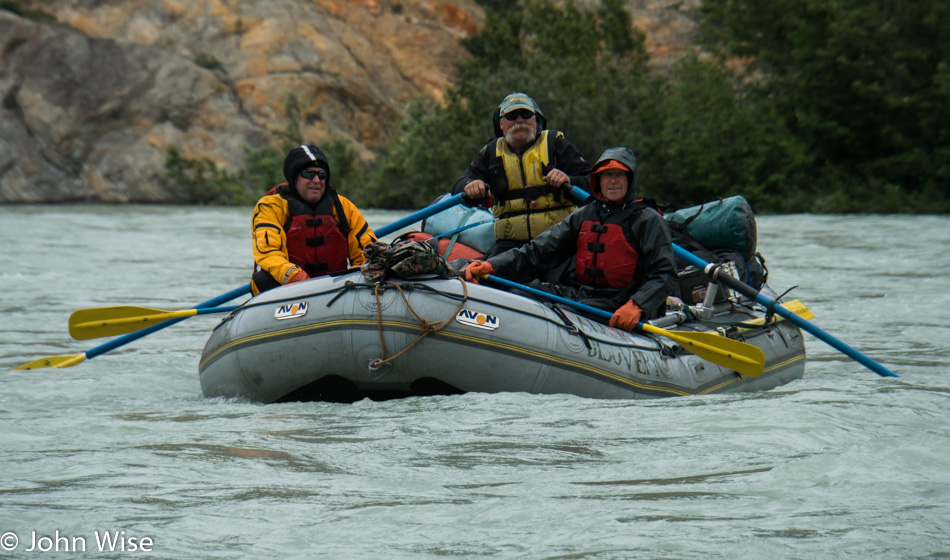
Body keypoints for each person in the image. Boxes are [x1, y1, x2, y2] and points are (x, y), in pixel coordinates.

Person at [464, 147, 677, 331]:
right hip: (579, 294)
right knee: (519, 294)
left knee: (561, 316)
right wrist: (492, 266)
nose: (613, 181)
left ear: (630, 180)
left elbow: (664, 274)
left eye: (619, 175)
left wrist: (637, 305)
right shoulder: (584, 215)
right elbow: (536, 253)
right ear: (598, 180)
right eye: (607, 175)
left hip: (616, 301)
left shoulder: (647, 220)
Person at [451, 92, 593, 258]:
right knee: (482, 271)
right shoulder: (491, 151)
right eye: (512, 116)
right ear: (501, 124)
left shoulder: (555, 144)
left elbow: (591, 183)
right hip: (511, 245)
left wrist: (569, 180)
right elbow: (458, 187)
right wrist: (470, 185)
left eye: (526, 115)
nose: (519, 121)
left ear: (535, 120)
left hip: (558, 242)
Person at [251, 144, 376, 295]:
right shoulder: (270, 207)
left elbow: (366, 254)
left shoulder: (343, 207)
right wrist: (297, 277)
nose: (317, 180)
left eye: (322, 175)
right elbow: (269, 254)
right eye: (309, 174)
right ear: (294, 177)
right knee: (263, 279)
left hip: (335, 289)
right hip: (289, 288)